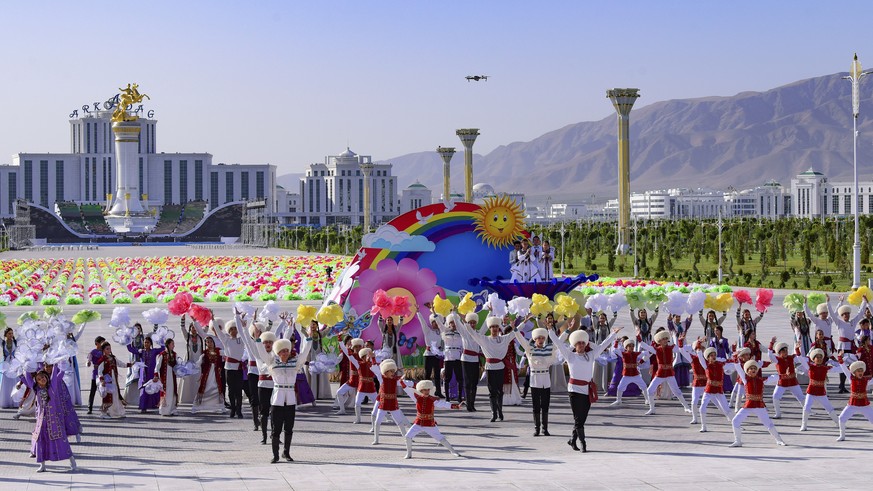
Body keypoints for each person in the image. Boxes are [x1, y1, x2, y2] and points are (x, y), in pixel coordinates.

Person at [548, 324, 620, 453]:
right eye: (578, 343)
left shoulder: (591, 355)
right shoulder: (570, 356)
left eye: (583, 343)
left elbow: (603, 345)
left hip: (587, 390)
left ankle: (572, 439)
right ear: (574, 345)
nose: (581, 345)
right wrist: (550, 331)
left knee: (582, 418)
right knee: (578, 418)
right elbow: (558, 344)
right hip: (574, 391)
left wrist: (613, 334)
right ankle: (583, 443)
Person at [253, 332, 311, 463]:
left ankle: (286, 452)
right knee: (276, 428)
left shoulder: (295, 363)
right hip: (277, 400)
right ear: (278, 352)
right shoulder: (272, 362)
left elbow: (305, 353)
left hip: (290, 399)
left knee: (289, 428)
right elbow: (262, 353)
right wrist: (257, 339)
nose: (285, 353)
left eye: (287, 350)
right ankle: (275, 455)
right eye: (282, 351)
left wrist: (308, 338)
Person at [461, 316, 515, 422]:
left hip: (500, 368)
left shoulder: (503, 339)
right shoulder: (484, 339)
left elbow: (514, 334)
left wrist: (519, 324)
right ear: (489, 328)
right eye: (492, 327)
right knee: (492, 392)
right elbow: (473, 333)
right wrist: (465, 322)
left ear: (498, 328)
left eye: (496, 326)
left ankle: (500, 411)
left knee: (500, 391)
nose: (494, 329)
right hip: (490, 368)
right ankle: (494, 413)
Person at [26, 368, 76, 472]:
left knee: (62, 442)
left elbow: (60, 373)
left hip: (54, 421)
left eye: (44, 377)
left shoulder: (52, 387)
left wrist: (57, 363)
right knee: (40, 442)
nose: (42, 379)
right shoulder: (36, 389)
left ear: (47, 378)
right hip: (41, 422)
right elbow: (28, 378)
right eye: (39, 379)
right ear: (37, 381)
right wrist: (26, 366)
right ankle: (42, 465)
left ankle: (72, 461)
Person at [730, 360, 786, 447]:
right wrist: (735, 357)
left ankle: (779, 440)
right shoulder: (745, 379)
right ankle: (738, 441)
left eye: (755, 369)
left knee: (768, 423)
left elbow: (774, 377)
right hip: (748, 405)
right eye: (751, 368)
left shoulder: (761, 380)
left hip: (759, 406)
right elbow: (738, 367)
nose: (753, 370)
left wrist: (784, 375)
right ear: (747, 371)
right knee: (735, 421)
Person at [402, 380, 462, 459]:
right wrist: (401, 381)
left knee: (441, 438)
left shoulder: (433, 399)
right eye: (425, 390)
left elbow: (444, 404)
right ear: (421, 390)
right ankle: (409, 454)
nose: (427, 391)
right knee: (407, 436)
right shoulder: (416, 397)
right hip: (418, 422)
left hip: (429, 424)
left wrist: (456, 406)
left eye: (428, 389)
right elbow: (407, 390)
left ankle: (453, 451)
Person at [515, 325, 556, 436]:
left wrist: (567, 331)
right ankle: (537, 428)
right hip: (534, 379)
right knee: (536, 405)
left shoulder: (549, 348)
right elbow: (521, 340)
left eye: (543, 338)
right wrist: (515, 329)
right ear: (534, 339)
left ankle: (545, 428)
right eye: (539, 338)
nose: (541, 340)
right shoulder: (530, 348)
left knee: (545, 405)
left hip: (545, 379)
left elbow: (560, 341)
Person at [640, 330, 691, 415]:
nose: (665, 340)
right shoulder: (656, 349)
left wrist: (680, 341)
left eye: (666, 338)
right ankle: (652, 409)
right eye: (663, 339)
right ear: (659, 341)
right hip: (659, 374)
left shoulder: (672, 348)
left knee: (676, 391)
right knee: (649, 390)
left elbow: (681, 349)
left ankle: (686, 407)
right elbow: (645, 346)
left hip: (670, 373)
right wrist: (639, 337)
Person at [830, 296, 867, 393]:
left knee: (851, 366)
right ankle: (841, 385)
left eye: (847, 314)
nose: (846, 315)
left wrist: (864, 302)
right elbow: (832, 314)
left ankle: (849, 385)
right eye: (844, 314)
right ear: (841, 315)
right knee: (842, 366)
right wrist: (839, 302)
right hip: (842, 348)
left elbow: (860, 314)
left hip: (851, 347)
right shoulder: (839, 323)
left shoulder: (853, 322)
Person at [798, 347, 840, 431]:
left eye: (821, 357)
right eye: (817, 357)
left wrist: (849, 367)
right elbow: (801, 359)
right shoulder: (810, 367)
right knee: (806, 407)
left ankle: (838, 423)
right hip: (811, 391)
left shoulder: (825, 368)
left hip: (821, 392)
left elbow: (838, 369)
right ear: (813, 359)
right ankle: (804, 425)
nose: (819, 359)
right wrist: (797, 349)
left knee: (829, 408)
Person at [370, 359, 411, 445]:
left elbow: (406, 383)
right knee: (377, 422)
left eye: (393, 371)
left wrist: (416, 386)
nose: (393, 373)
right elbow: (376, 369)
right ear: (385, 371)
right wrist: (373, 358)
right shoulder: (381, 379)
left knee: (399, 422)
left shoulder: (396, 380)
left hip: (393, 404)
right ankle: (376, 439)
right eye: (390, 371)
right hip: (383, 404)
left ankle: (406, 438)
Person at [695, 345, 735, 432]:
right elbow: (700, 356)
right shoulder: (706, 365)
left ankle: (736, 424)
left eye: (714, 355)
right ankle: (704, 426)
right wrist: (698, 345)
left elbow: (730, 362)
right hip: (708, 390)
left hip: (719, 391)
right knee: (702, 408)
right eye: (711, 355)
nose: (713, 357)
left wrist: (735, 355)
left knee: (726, 409)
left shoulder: (720, 364)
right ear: (708, 357)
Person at [214, 318, 246, 418]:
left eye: (235, 329)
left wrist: (241, 322)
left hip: (239, 368)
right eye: (231, 329)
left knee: (239, 390)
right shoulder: (226, 340)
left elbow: (244, 333)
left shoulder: (241, 340)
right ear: (228, 331)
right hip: (229, 368)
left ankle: (239, 410)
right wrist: (213, 321)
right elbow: (218, 332)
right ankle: (233, 409)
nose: (233, 331)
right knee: (231, 390)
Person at [835, 357, 872, 441]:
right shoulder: (850, 378)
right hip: (852, 404)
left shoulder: (866, 380)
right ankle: (842, 435)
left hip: (864, 405)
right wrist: (840, 358)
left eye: (861, 371)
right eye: (858, 371)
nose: (861, 373)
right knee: (841, 418)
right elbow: (843, 368)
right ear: (854, 372)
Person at [767, 338, 804, 419]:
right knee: (775, 397)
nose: (786, 353)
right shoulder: (777, 360)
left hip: (793, 382)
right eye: (783, 351)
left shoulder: (791, 357)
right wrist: (771, 343)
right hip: (782, 382)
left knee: (801, 397)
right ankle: (778, 413)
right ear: (779, 353)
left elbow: (799, 357)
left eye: (786, 351)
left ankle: (808, 411)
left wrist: (797, 348)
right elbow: (769, 355)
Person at [610, 338, 651, 407]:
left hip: (635, 375)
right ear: (626, 347)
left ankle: (647, 400)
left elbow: (648, 353)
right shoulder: (623, 354)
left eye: (632, 346)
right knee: (620, 387)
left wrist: (641, 362)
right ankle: (618, 400)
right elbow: (614, 350)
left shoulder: (636, 354)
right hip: (626, 375)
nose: (632, 347)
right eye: (630, 346)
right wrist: (616, 341)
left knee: (644, 386)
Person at [458, 312, 486, 412]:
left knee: (474, 383)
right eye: (470, 322)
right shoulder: (464, 332)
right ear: (467, 323)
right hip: (465, 360)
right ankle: (468, 403)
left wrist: (491, 312)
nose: (472, 324)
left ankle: (472, 403)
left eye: (474, 322)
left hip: (475, 360)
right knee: (468, 382)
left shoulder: (478, 333)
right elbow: (458, 323)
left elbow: (486, 325)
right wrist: (455, 313)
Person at [127, 336, 162, 413]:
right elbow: (131, 349)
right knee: (144, 389)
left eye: (148, 342)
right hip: (144, 374)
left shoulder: (154, 351)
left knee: (153, 388)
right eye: (145, 342)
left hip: (152, 373)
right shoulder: (141, 352)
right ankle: (143, 407)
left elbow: (162, 349)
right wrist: (128, 340)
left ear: (150, 344)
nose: (146, 344)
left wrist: (161, 339)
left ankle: (154, 406)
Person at [192, 336, 226, 414]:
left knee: (216, 388)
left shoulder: (219, 351)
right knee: (205, 387)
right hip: (207, 374)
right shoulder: (204, 353)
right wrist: (191, 367)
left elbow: (228, 354)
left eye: (210, 341)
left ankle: (218, 406)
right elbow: (199, 362)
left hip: (216, 374)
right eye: (207, 342)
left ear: (213, 342)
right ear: (206, 344)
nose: (209, 343)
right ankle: (198, 406)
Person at [97, 342, 130, 419]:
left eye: (109, 348)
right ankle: (104, 413)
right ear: (103, 350)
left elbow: (121, 364)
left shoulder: (113, 358)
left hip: (114, 380)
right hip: (107, 381)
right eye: (107, 349)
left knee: (116, 395)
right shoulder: (102, 359)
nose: (109, 350)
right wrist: (102, 380)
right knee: (108, 396)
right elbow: (99, 371)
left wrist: (129, 365)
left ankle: (118, 411)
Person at [437, 313, 465, 402]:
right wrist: (434, 313)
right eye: (451, 322)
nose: (453, 324)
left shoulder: (461, 333)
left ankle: (460, 397)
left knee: (459, 378)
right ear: (449, 323)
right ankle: (447, 398)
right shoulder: (445, 332)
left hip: (458, 357)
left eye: (455, 322)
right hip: (448, 357)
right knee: (447, 378)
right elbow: (439, 324)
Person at [347, 347, 378, 424]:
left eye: (369, 356)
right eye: (367, 355)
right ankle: (358, 419)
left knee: (378, 403)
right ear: (363, 357)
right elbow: (350, 357)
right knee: (357, 403)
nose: (368, 357)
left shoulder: (373, 364)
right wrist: (346, 347)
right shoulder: (359, 364)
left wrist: (373, 357)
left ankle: (384, 416)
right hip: (362, 387)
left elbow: (376, 367)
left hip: (371, 388)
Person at [418, 306, 445, 399]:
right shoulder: (427, 331)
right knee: (427, 374)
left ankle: (438, 391)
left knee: (437, 374)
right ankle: (425, 392)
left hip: (437, 355)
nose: (435, 324)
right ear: (431, 323)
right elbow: (423, 323)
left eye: (437, 323)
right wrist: (418, 312)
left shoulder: (441, 332)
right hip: (428, 355)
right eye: (433, 322)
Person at [304, 319, 333, 400]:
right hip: (311, 356)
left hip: (319, 356)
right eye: (311, 324)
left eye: (314, 324)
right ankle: (312, 393)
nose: (312, 326)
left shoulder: (320, 334)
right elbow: (302, 330)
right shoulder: (308, 334)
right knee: (312, 374)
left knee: (320, 374)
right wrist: (303, 321)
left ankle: (321, 393)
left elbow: (329, 329)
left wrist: (330, 320)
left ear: (317, 325)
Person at [335, 337, 363, 415]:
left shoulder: (365, 356)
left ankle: (384, 413)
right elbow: (344, 349)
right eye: (355, 346)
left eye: (359, 346)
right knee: (339, 392)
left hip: (362, 381)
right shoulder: (351, 355)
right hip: (352, 380)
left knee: (374, 399)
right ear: (352, 347)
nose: (357, 348)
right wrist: (340, 339)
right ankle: (342, 410)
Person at [592, 311, 619, 390]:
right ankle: (597, 384)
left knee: (607, 366)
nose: (602, 319)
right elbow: (593, 318)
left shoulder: (608, 326)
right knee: (599, 366)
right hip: (599, 348)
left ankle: (607, 384)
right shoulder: (596, 327)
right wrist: (594, 311)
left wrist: (614, 311)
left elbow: (613, 319)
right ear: (599, 319)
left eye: (604, 318)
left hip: (607, 349)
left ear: (606, 319)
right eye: (601, 318)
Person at [179, 323, 204, 404]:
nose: (194, 329)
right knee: (189, 379)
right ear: (190, 329)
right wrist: (183, 320)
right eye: (192, 327)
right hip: (189, 360)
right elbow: (183, 329)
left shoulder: (200, 337)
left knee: (198, 378)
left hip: (198, 361)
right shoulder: (188, 337)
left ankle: (198, 397)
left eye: (195, 327)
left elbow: (206, 329)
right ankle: (188, 398)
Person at [154, 338, 179, 417]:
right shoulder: (162, 355)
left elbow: (178, 364)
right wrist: (156, 376)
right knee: (166, 392)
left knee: (172, 392)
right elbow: (157, 367)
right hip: (165, 378)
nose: (174, 346)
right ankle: (164, 410)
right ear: (168, 345)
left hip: (172, 377)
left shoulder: (175, 354)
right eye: (172, 344)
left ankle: (172, 409)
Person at [85, 336, 104, 414]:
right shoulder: (93, 352)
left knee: (105, 390)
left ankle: (106, 407)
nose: (103, 344)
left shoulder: (105, 351)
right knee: (93, 391)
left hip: (103, 373)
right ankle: (90, 407)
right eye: (102, 342)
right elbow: (88, 361)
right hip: (95, 373)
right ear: (97, 343)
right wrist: (88, 363)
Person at [1, 327, 19, 408]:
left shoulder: (16, 341)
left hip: (14, 364)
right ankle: (6, 401)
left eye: (12, 333)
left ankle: (15, 401)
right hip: (6, 365)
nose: (11, 335)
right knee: (6, 382)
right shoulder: (3, 343)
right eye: (9, 333)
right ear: (5, 335)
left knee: (15, 381)